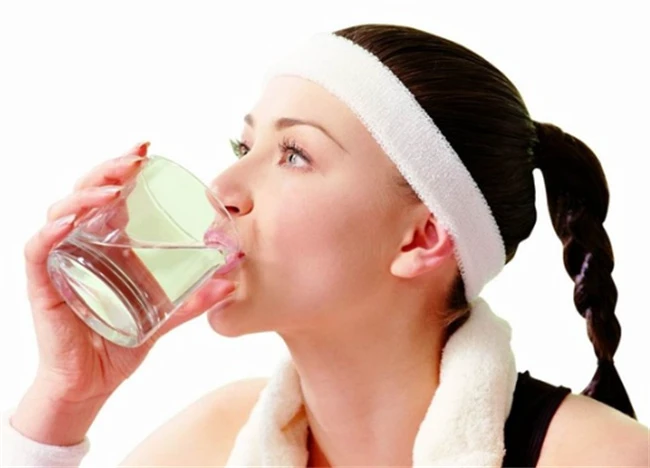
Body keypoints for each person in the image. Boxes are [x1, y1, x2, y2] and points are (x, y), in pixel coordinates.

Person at [2, 23, 648, 467]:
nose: (222, 188)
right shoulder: (212, 440)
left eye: (294, 154)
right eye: (243, 145)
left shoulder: (599, 458)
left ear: (421, 237)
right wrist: (64, 401)